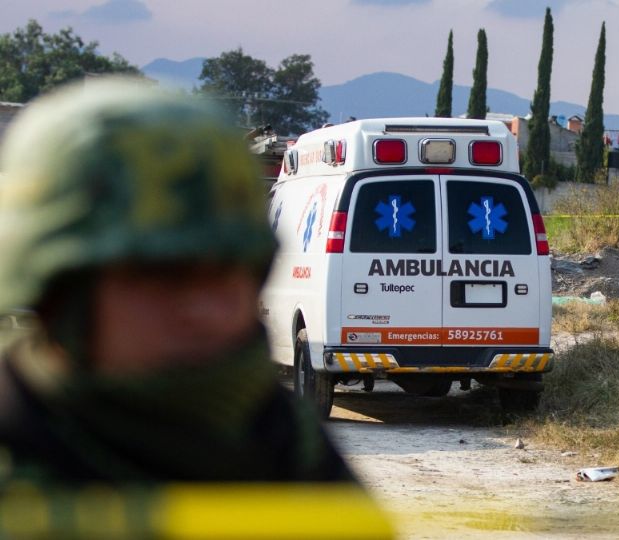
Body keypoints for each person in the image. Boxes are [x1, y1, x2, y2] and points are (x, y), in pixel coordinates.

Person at [0, 79, 357, 484]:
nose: (209, 312)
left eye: (229, 274)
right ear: (55, 292)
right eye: (165, 278)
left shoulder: (288, 451)